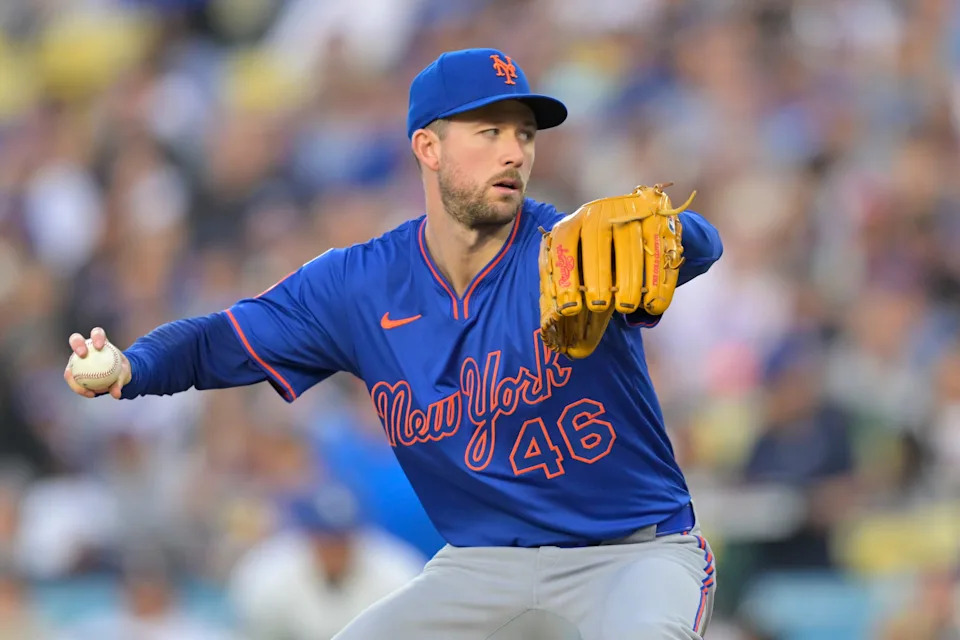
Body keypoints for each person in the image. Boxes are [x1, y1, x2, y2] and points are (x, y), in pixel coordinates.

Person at [65, 48, 724, 639]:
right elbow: (221, 340)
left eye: (524, 134)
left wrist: (681, 236)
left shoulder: (569, 252)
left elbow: (696, 246)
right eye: (488, 131)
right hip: (483, 563)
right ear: (428, 148)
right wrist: (134, 363)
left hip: (631, 553)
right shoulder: (360, 284)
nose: (514, 152)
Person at [228, 485, 424, 639]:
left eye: (340, 539)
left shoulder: (399, 574)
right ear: (308, 535)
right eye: (325, 539)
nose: (333, 549)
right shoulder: (267, 574)